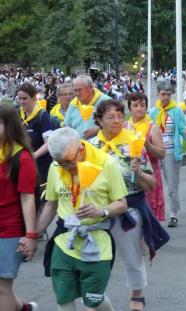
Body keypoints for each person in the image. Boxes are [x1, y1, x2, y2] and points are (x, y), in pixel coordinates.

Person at [89, 100, 169, 311]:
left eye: (119, 116)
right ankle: (95, 294)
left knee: (132, 256)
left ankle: (137, 293)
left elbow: (151, 185)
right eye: (111, 117)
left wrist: (138, 172)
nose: (117, 121)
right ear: (99, 120)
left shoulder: (133, 143)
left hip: (129, 208)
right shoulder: (90, 146)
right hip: (98, 211)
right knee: (95, 257)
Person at [37, 127, 128, 311]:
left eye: (69, 162)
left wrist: (101, 211)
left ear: (80, 149)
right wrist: (33, 235)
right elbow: (51, 205)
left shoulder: (106, 164)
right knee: (63, 298)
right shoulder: (55, 168)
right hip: (64, 243)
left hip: (96, 244)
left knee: (94, 301)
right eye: (60, 163)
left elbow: (121, 204)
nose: (66, 168)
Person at [0, 105, 38, 311]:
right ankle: (24, 308)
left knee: (3, 286)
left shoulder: (21, 157)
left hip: (9, 229)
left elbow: (27, 198)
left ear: (9, 126)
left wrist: (31, 235)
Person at [149, 82, 186, 228]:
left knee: (172, 186)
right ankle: (153, 212)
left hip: (170, 152)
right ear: (158, 94)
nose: (166, 97)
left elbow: (182, 130)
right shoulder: (153, 112)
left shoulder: (176, 111)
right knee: (152, 184)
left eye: (168, 94)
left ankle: (173, 214)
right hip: (155, 152)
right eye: (163, 94)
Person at [125, 92, 166, 221]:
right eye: (135, 105)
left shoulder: (152, 127)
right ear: (130, 108)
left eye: (142, 105)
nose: (139, 108)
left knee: (148, 213)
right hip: (127, 173)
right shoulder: (125, 126)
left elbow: (161, 153)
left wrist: (148, 145)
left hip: (148, 174)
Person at [16, 82, 54, 187]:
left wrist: (33, 156)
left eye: (25, 98)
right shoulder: (18, 113)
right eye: (19, 98)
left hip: (41, 164)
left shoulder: (42, 115)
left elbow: (48, 143)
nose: (21, 102)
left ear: (34, 98)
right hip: (23, 162)